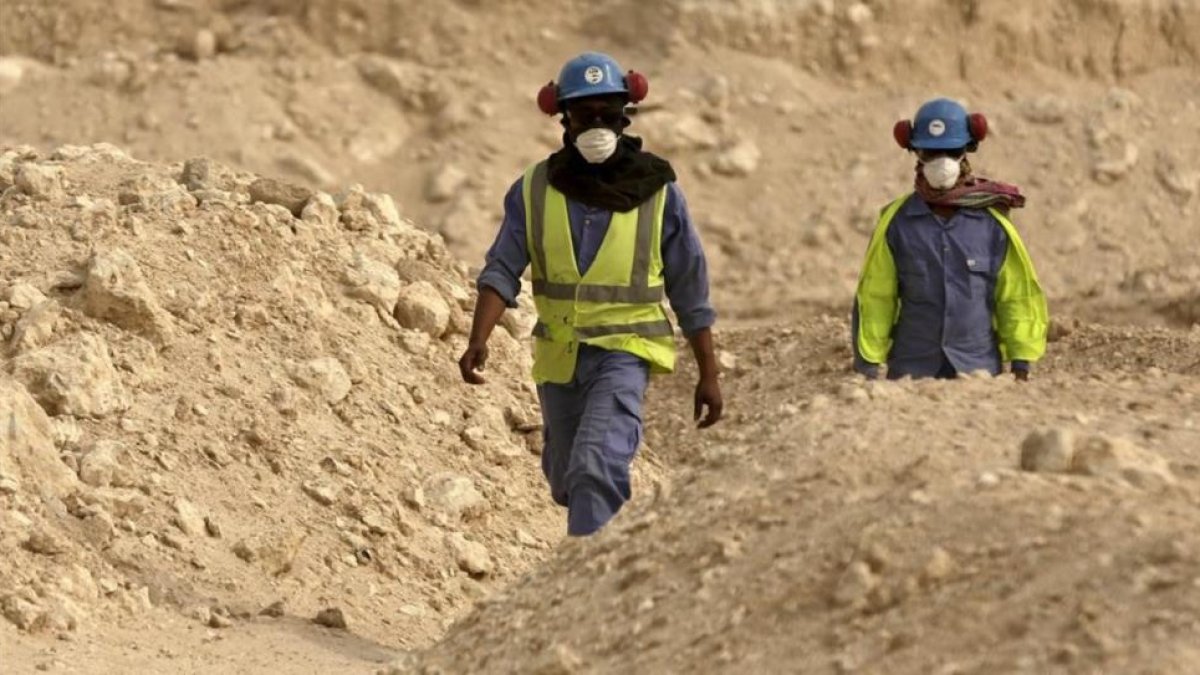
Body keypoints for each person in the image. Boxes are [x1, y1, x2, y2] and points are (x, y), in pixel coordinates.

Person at [458, 52, 723, 536]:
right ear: (563, 117)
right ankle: (612, 561)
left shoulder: (658, 191)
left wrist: (709, 372)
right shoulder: (534, 189)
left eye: (607, 113)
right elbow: (502, 267)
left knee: (595, 466)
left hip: (625, 354)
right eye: (585, 115)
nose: (596, 125)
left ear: (626, 113)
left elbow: (691, 288)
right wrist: (480, 337)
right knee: (565, 478)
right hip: (560, 359)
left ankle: (591, 599)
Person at [852, 97, 1049, 380]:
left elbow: (1016, 294)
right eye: (930, 153)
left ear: (967, 149)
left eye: (950, 150)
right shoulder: (896, 222)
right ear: (915, 152)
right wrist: (869, 362)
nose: (941, 161)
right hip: (911, 373)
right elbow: (875, 296)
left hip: (978, 372)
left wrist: (1021, 360)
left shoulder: (993, 224)